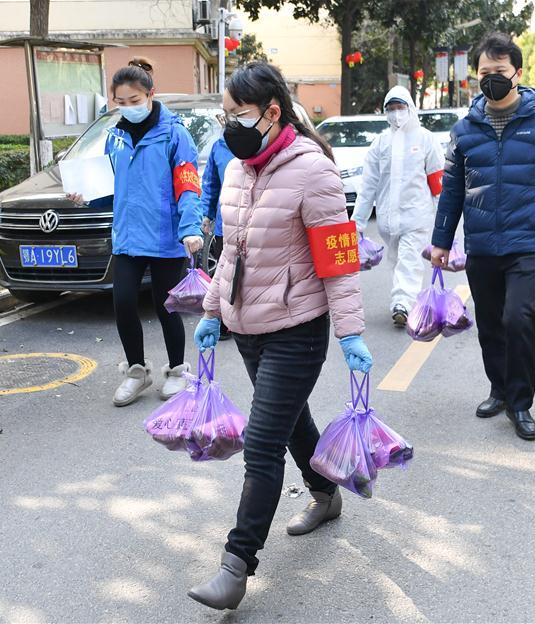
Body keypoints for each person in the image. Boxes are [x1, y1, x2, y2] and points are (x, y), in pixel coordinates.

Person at [189, 61, 372, 611]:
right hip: (249, 327)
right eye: (225, 115)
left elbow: (338, 262)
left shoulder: (313, 171)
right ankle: (325, 494)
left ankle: (236, 565)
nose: (230, 126)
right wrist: (211, 311)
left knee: (263, 444)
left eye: (238, 115)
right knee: (292, 423)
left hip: (297, 329)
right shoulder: (241, 168)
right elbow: (232, 255)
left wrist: (351, 334)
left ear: (272, 113)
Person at [430, 33, 535, 441]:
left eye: (499, 72)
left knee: (519, 318)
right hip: (482, 243)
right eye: (484, 73)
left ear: (517, 73)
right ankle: (499, 389)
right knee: (489, 324)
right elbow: (451, 191)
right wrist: (441, 241)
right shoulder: (465, 129)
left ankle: (520, 403)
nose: (491, 80)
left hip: (526, 242)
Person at [71, 57, 204, 407]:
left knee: (166, 308)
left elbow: (188, 186)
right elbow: (113, 189)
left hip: (165, 237)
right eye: (121, 102)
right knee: (124, 303)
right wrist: (87, 197)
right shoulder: (113, 137)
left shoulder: (176, 134)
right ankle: (136, 371)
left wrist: (190, 228)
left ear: (150, 94)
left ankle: (177, 370)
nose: (128, 108)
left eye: (135, 101)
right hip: (128, 237)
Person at [352, 86, 445, 327]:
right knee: (396, 261)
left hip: (417, 216)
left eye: (400, 107)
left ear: (410, 108)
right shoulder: (380, 143)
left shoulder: (425, 138)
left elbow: (438, 181)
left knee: (409, 259)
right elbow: (368, 186)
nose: (396, 113)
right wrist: (358, 222)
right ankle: (405, 299)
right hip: (387, 220)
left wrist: (444, 220)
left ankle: (401, 303)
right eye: (391, 109)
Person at [199, 130, 235, 340]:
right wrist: (207, 214)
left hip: (258, 224)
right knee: (225, 277)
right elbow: (211, 184)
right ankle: (224, 322)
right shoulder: (219, 146)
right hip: (226, 225)